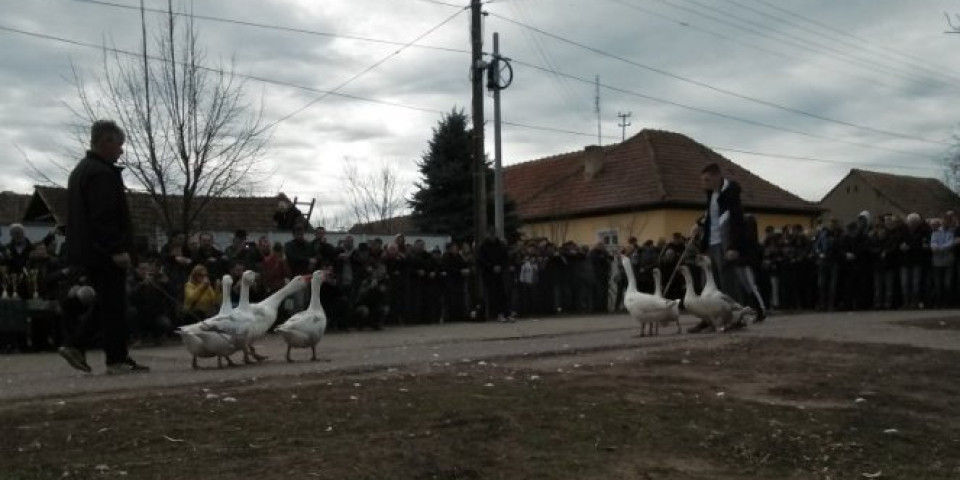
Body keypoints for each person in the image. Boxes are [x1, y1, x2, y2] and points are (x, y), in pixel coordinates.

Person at [58, 120, 150, 374]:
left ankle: (85, 347)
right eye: (119, 144)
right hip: (102, 251)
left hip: (88, 249)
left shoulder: (80, 171)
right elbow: (104, 216)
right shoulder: (101, 173)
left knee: (110, 303)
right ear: (105, 141)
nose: (121, 151)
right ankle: (112, 358)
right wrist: (116, 248)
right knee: (114, 306)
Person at [691, 163, 745, 332]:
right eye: (702, 180)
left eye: (707, 180)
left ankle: (735, 318)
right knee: (707, 284)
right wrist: (699, 226)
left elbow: (736, 221)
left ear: (717, 177)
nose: (703, 183)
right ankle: (708, 318)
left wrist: (733, 246)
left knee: (727, 284)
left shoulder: (730, 194)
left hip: (725, 243)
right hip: (710, 244)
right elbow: (710, 218)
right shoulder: (710, 195)